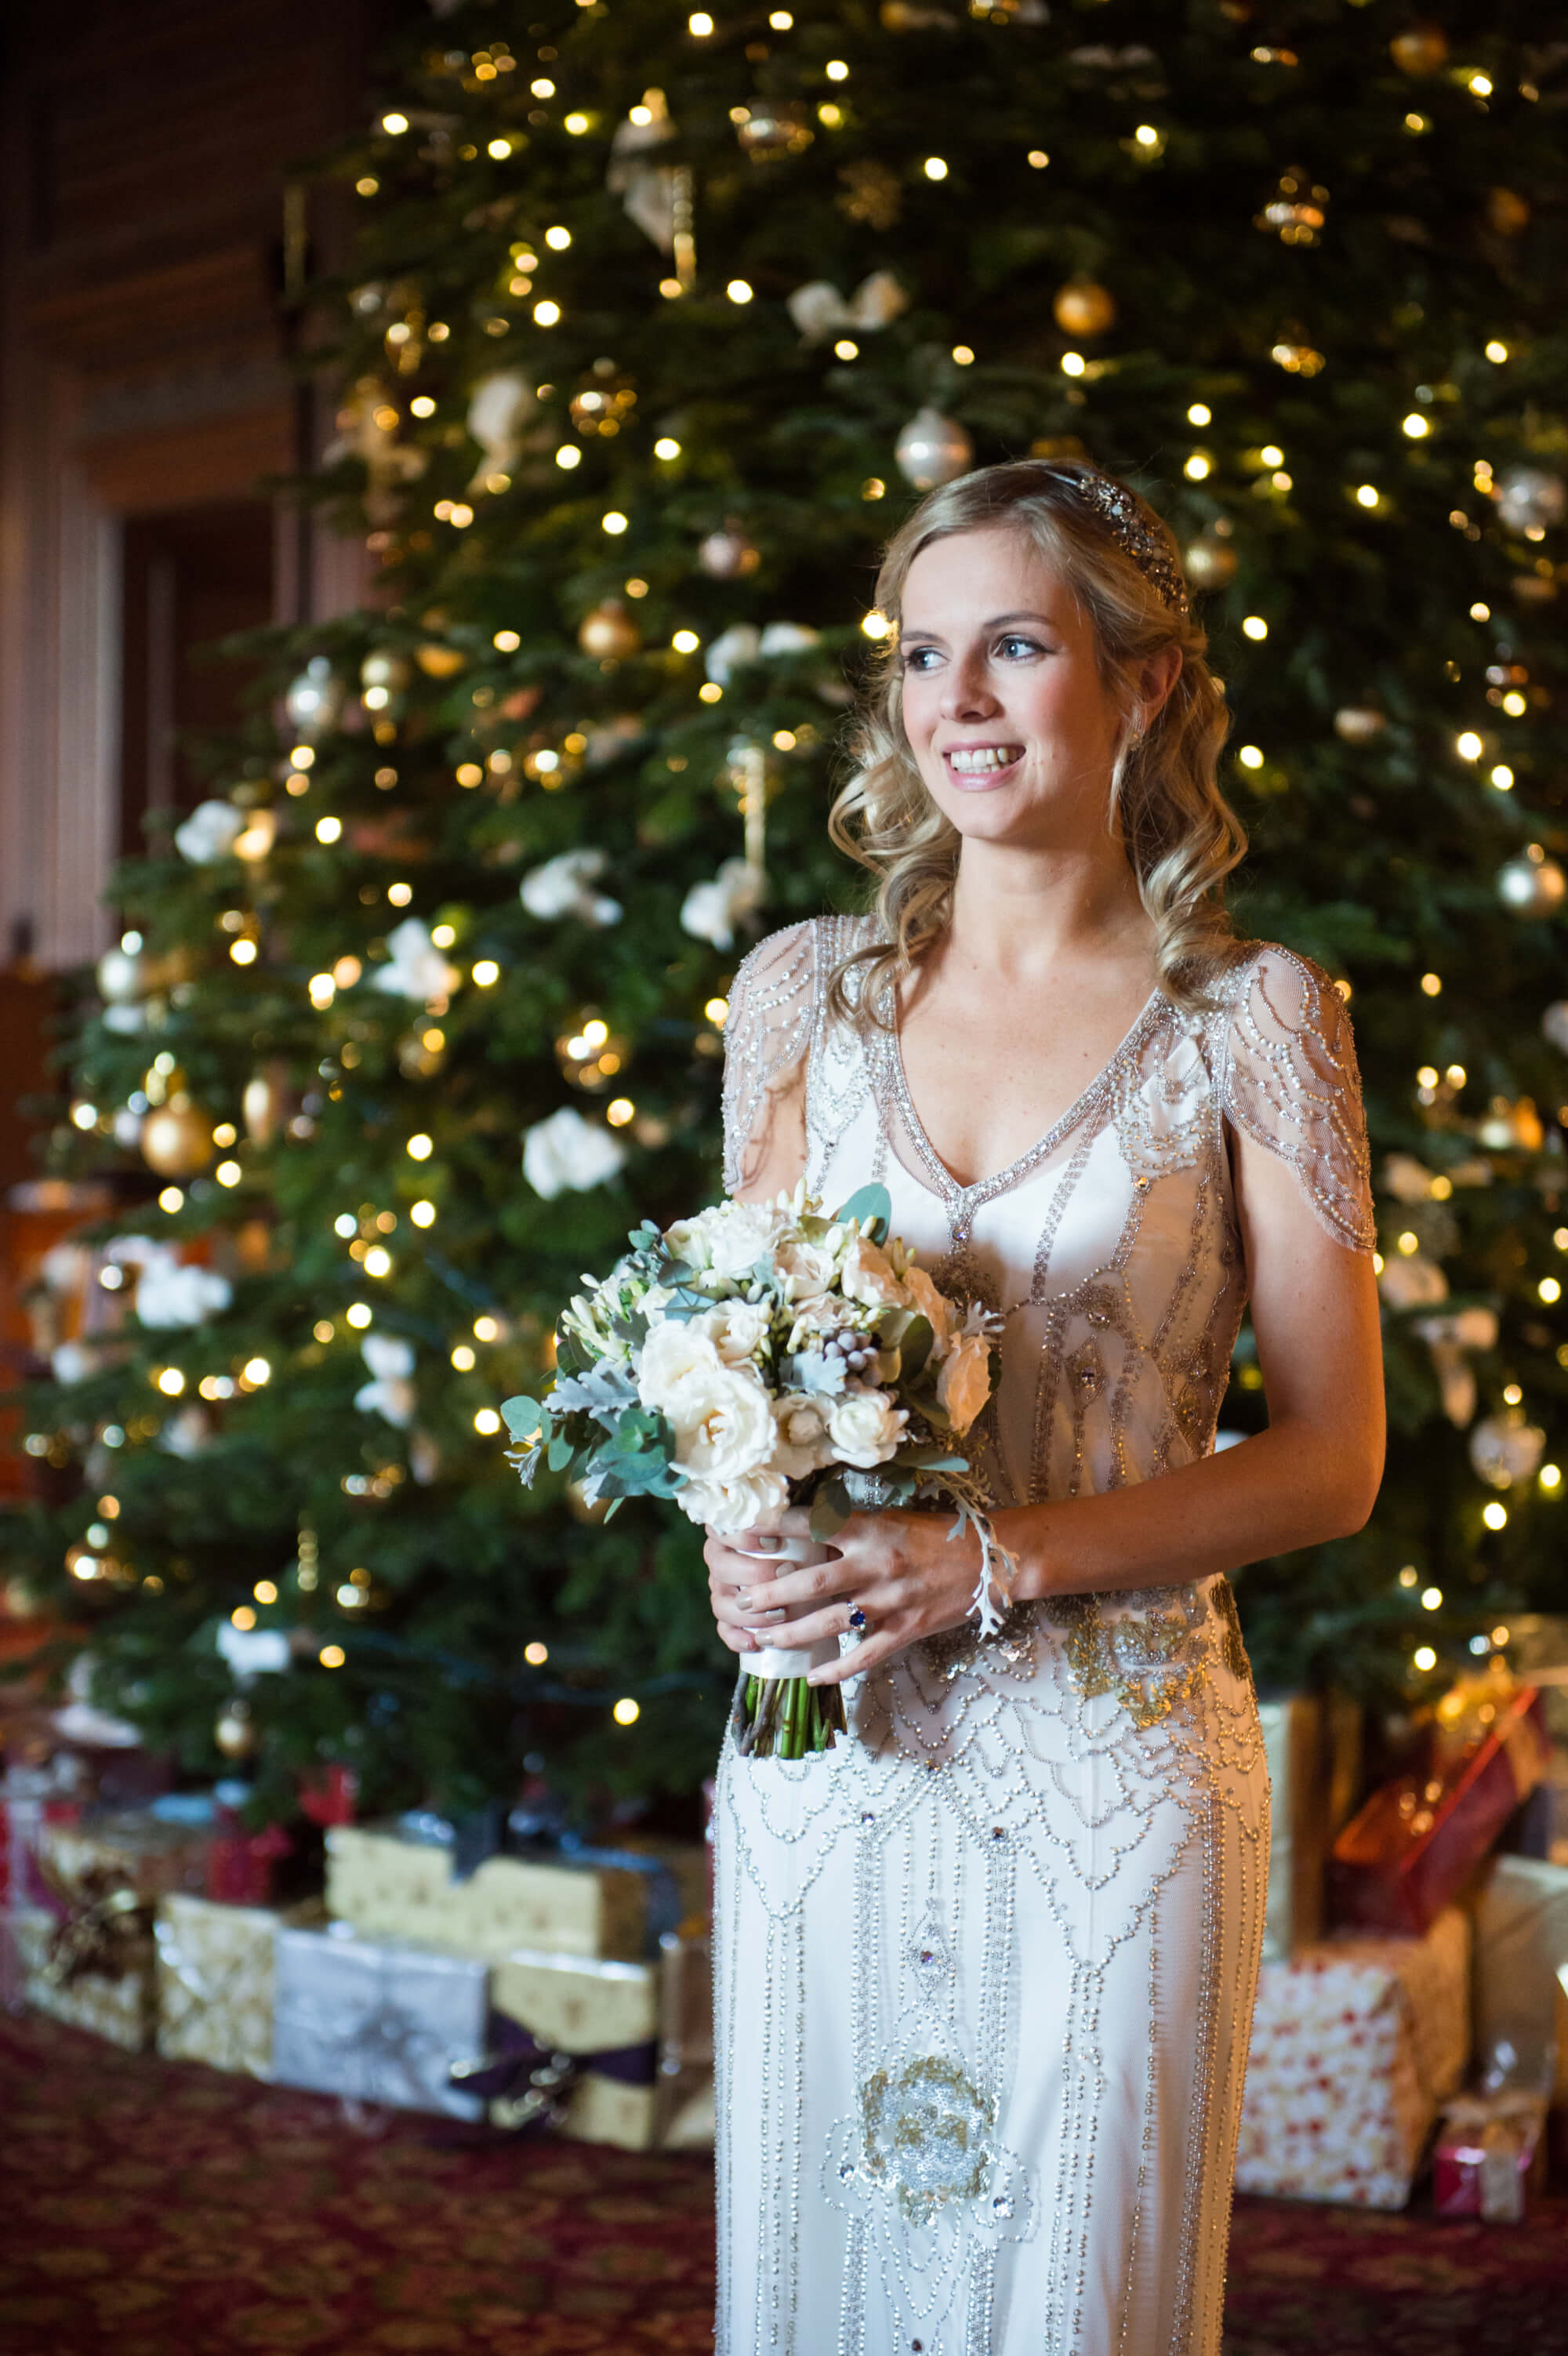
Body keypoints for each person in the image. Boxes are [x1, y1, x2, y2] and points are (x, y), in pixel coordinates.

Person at [703, 458, 1384, 2356]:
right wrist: (740, 1558)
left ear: (1142, 685)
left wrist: (989, 1563)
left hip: (1117, 1763)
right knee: (821, 2264)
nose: (960, 702)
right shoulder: (800, 1000)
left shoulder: (1252, 1017)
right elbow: (739, 1368)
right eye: (927, 655)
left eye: (1017, 644)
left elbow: (1332, 1461)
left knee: (1075, 2294)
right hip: (826, 1746)